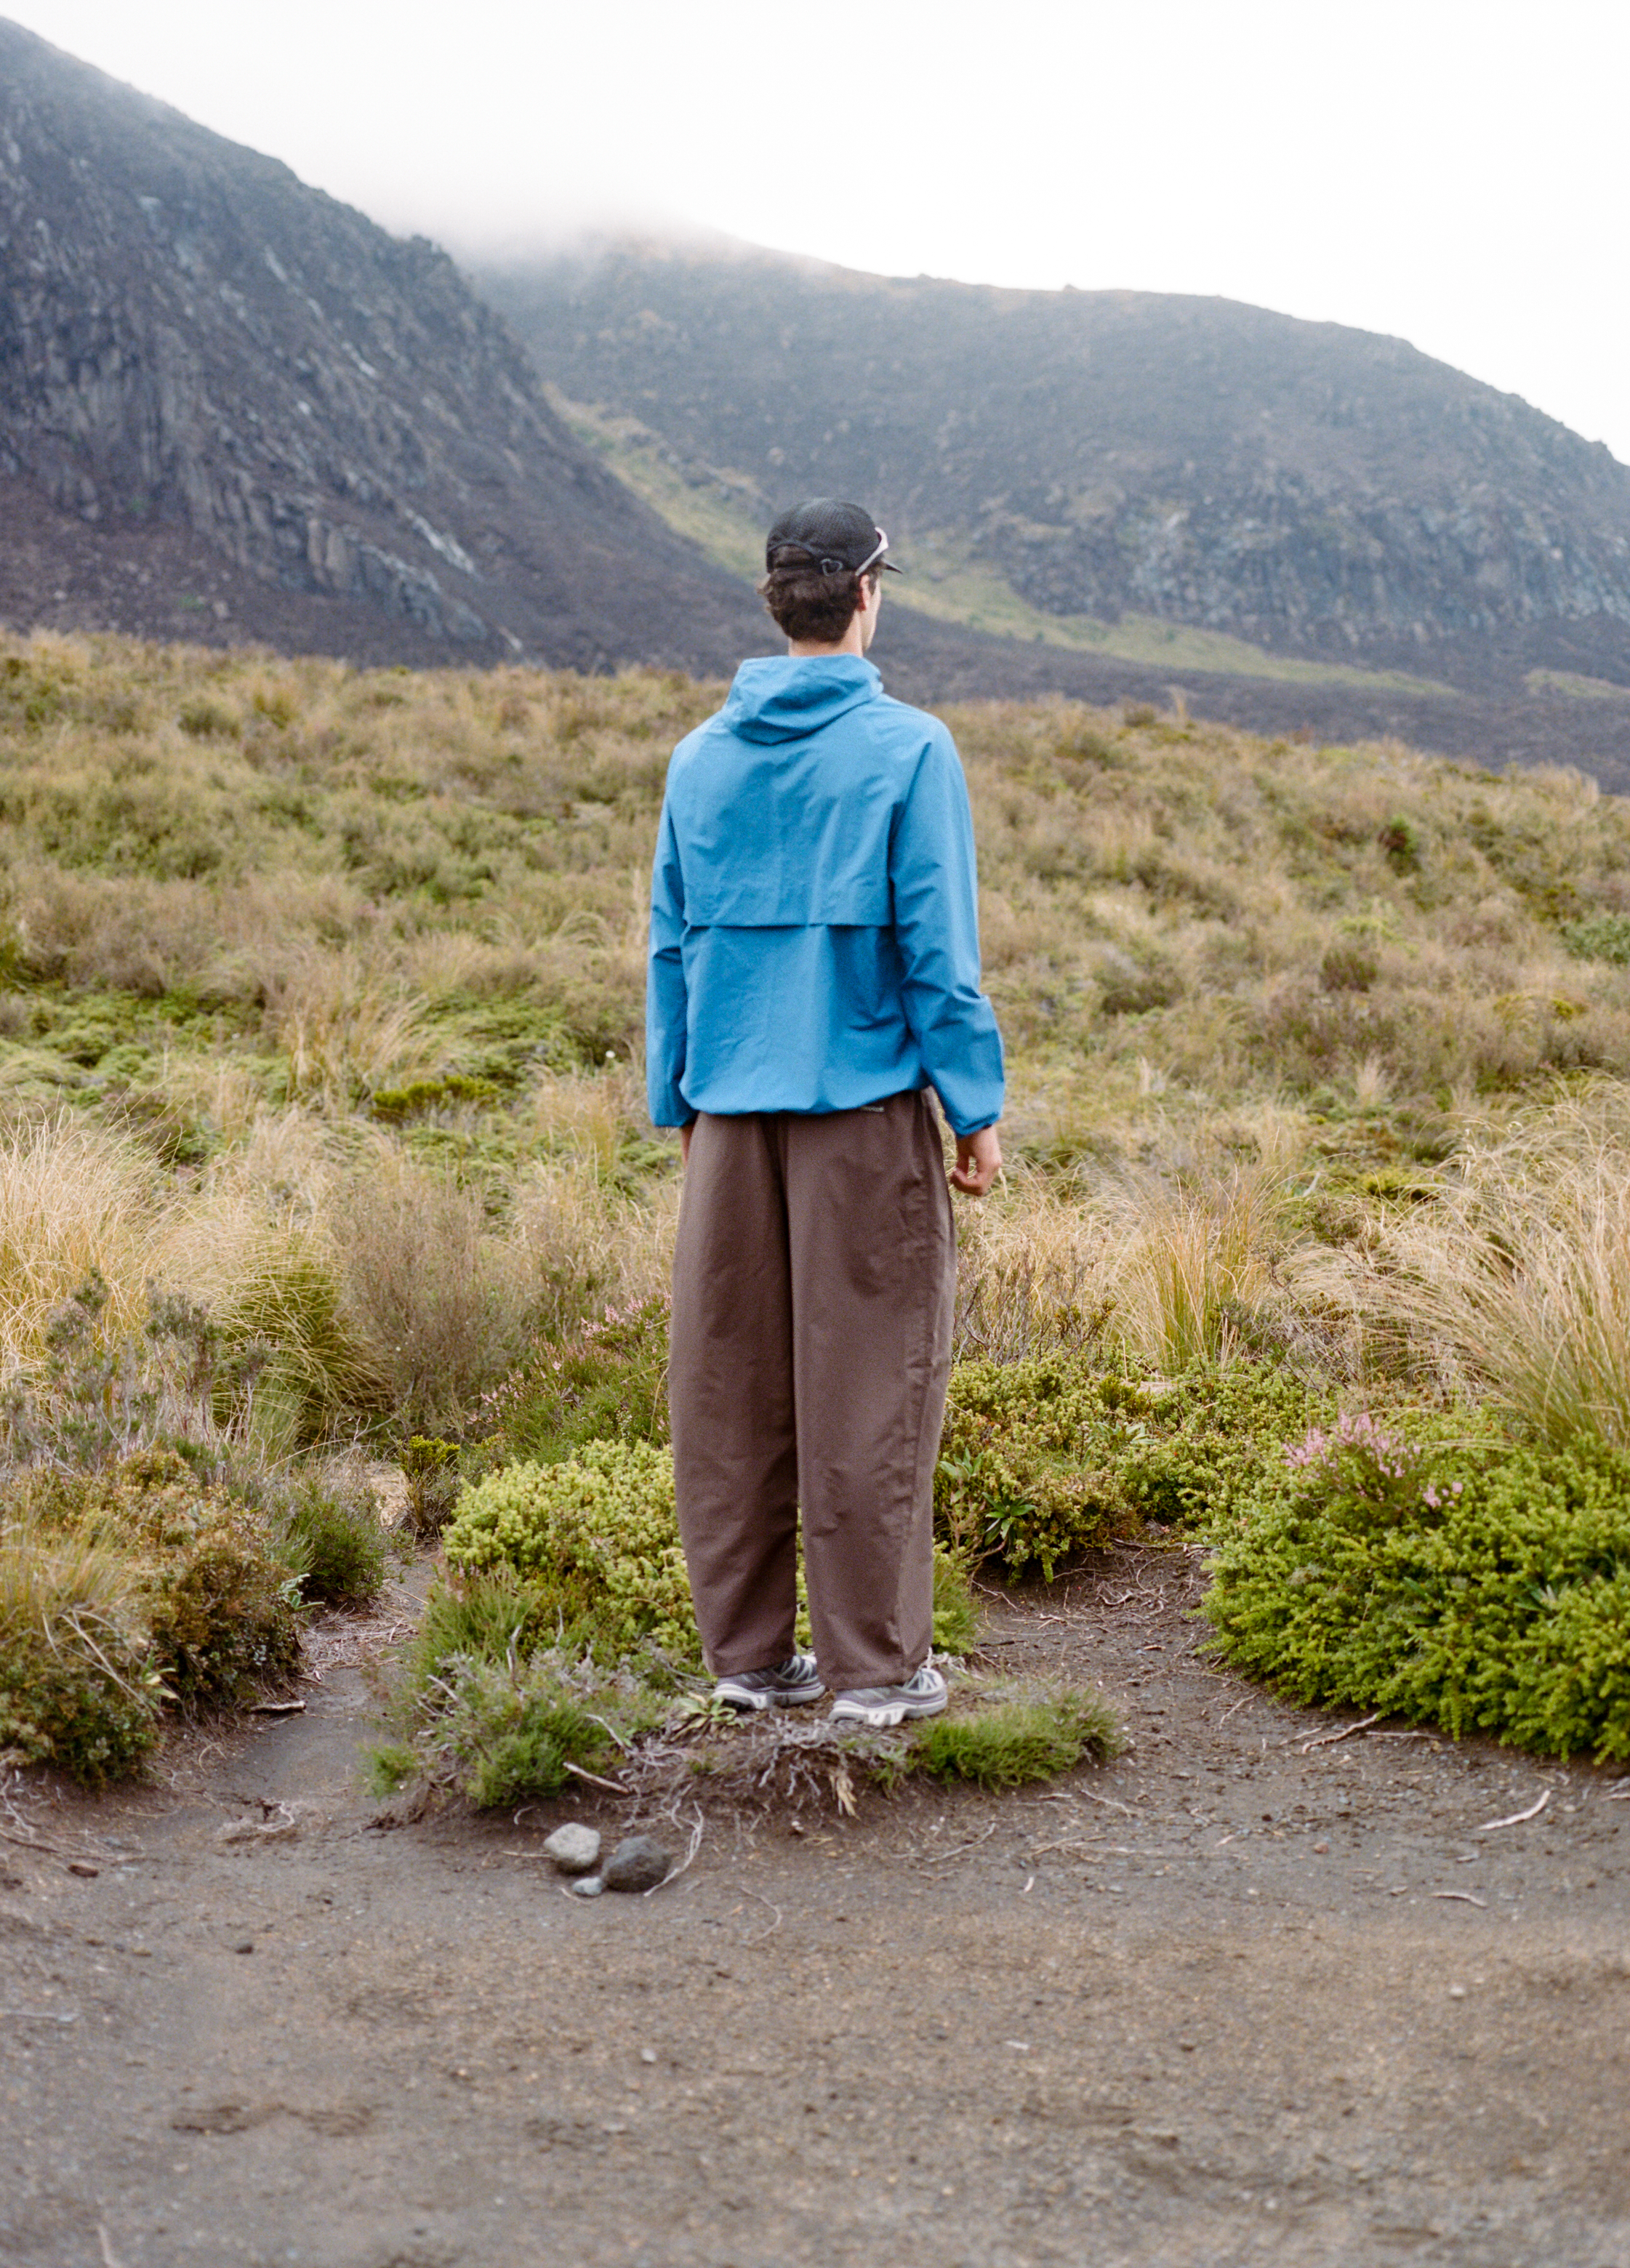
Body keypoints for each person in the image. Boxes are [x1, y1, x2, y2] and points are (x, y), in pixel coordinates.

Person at [646, 499, 1005, 1730]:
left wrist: (675, 1099)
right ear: (866, 593)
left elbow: (669, 945)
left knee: (727, 1388)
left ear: (775, 600)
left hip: (726, 1118)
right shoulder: (911, 749)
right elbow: (937, 955)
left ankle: (746, 1662)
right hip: (861, 1118)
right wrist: (976, 1107)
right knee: (869, 1385)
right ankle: (876, 1672)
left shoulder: (699, 757)